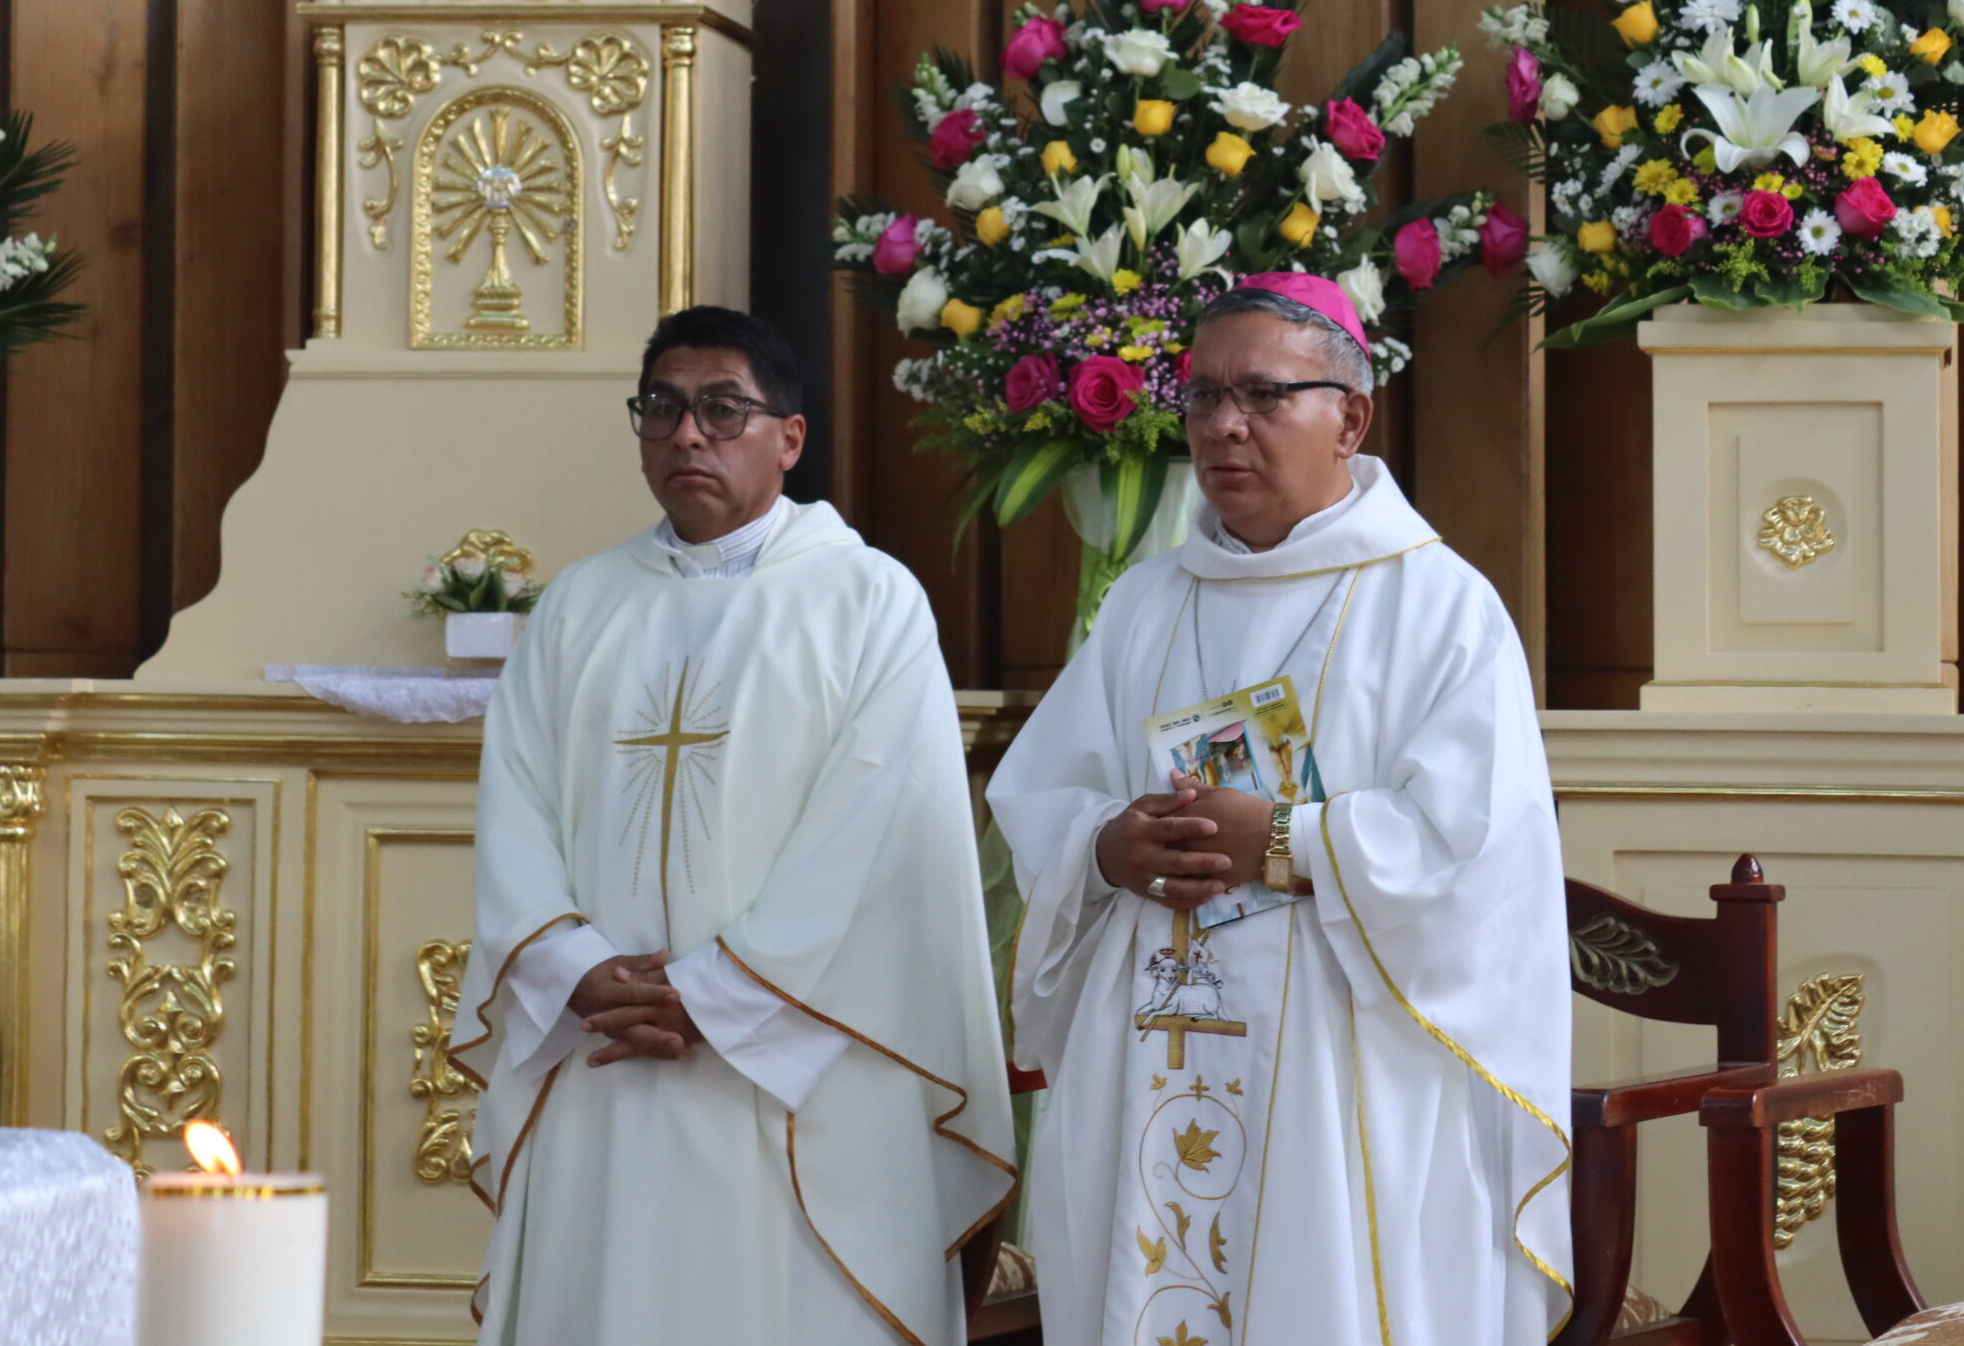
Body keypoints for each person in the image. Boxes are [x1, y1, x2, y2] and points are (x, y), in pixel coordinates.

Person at [988, 274, 1572, 1346]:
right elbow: (1042, 793)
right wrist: (1108, 844)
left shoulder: (1436, 604)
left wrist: (1291, 842)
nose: (1221, 426)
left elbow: (1476, 856)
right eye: (1202, 395)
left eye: (1261, 395)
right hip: (1154, 1027)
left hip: (1345, 1065)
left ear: (1347, 417)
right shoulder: (1147, 600)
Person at [450, 306, 1015, 1345]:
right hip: (604, 1047)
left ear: (788, 438)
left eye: (720, 409)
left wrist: (714, 994)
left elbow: (882, 830)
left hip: (795, 1060)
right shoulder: (580, 605)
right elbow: (514, 805)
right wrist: (573, 965)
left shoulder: (867, 599)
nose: (686, 436)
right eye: (660, 409)